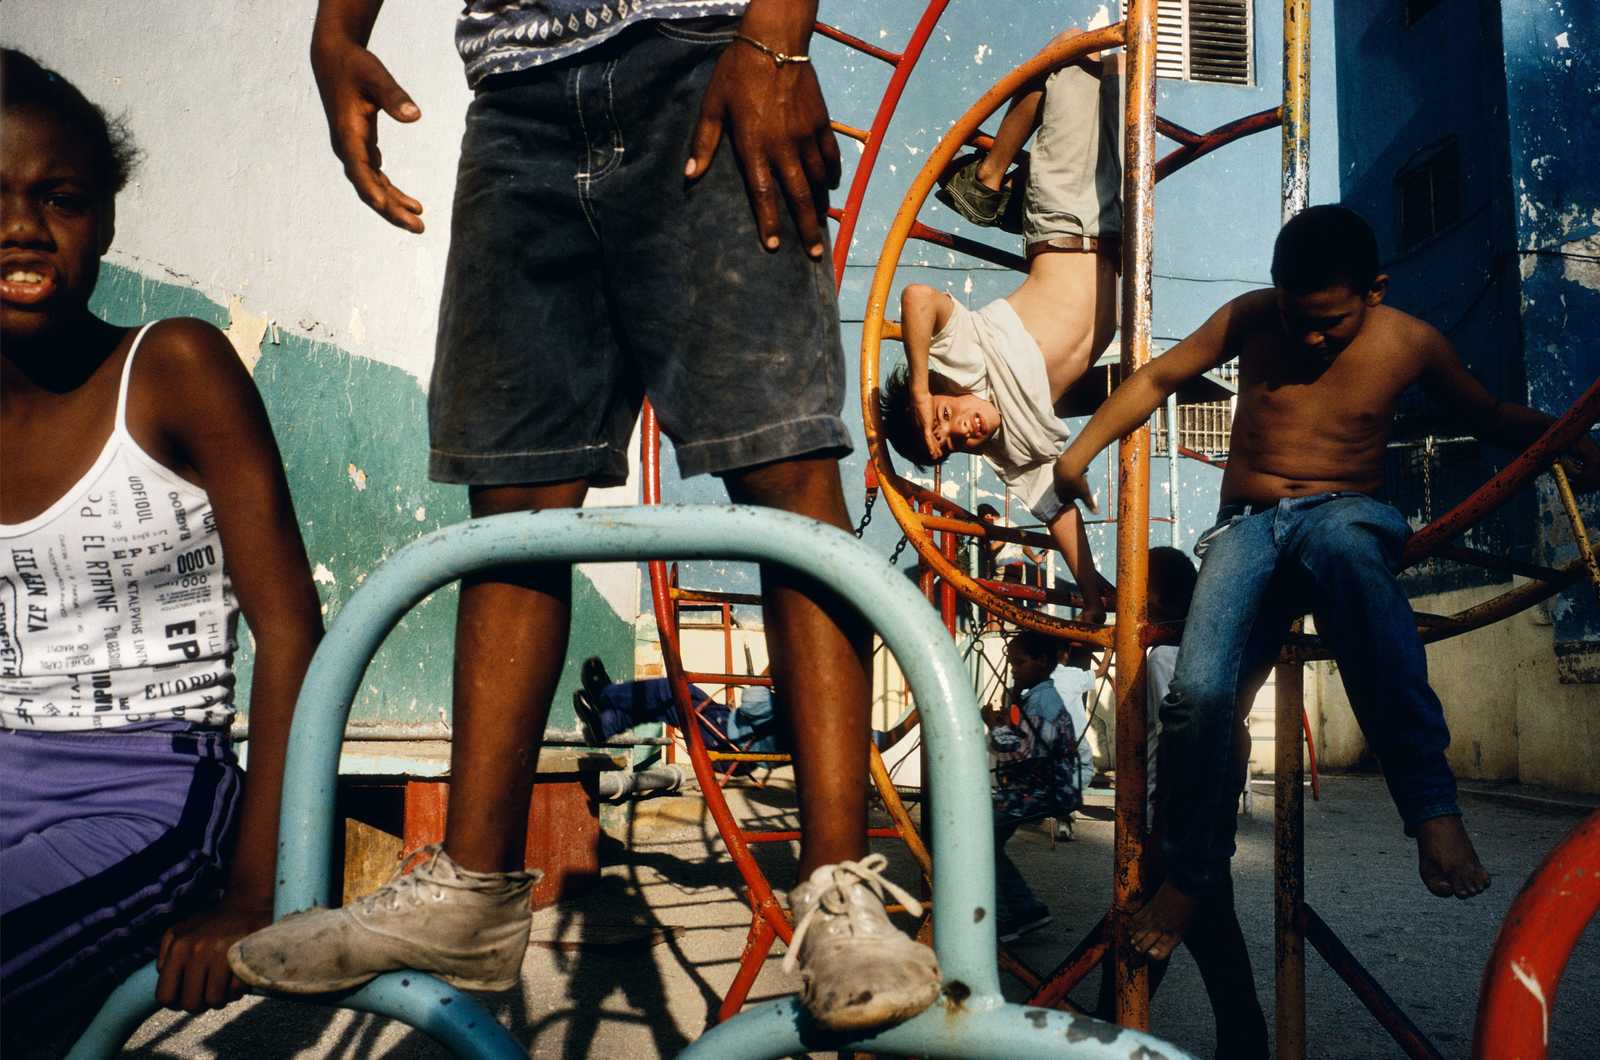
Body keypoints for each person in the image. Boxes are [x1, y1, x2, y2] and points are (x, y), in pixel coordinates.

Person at [227, 0, 941, 1032]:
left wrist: (776, 32)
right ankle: (471, 889)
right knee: (513, 497)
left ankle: (836, 886)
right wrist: (335, 30)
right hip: (516, 93)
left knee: (781, 460)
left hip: (706, 49)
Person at [1052, 204, 1600, 962]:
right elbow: (1159, 378)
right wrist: (1076, 454)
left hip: (1346, 513)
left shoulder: (1411, 343)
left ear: (1373, 291)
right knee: (1196, 698)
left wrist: (1566, 443)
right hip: (1247, 525)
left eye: (1330, 323)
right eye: (1296, 316)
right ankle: (1191, 875)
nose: (1310, 337)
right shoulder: (1250, 318)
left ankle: (1432, 809)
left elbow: (1488, 413)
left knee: (1361, 581)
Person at [0, 49, 323, 1049]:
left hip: (148, 791)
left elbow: (290, 632)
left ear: (105, 221)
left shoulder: (172, 367)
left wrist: (252, 887)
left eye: (60, 198)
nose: (22, 227)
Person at [877, 29, 1118, 623]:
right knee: (1117, 74)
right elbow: (1057, 510)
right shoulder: (1012, 451)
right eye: (955, 442)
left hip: (1063, 215)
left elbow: (919, 296)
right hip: (1116, 231)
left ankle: (989, 177)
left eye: (946, 420)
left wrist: (919, 389)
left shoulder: (965, 363)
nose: (962, 431)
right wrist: (1091, 594)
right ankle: (989, 178)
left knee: (1070, 57)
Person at [1096, 546, 1267, 1059]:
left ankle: (1103, 1043)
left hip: (1173, 830)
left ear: (1149, 596)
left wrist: (1165, 837)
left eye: (1133, 589)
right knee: (1224, 968)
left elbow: (1191, 750)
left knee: (1130, 965)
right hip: (1193, 832)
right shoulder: (1196, 652)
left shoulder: (1169, 657)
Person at [987, 631, 1089, 942]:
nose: (1013, 669)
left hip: (1037, 790)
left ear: (1042, 661)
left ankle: (1012, 914)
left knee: (979, 842)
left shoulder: (1044, 698)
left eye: (1019, 663)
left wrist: (995, 728)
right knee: (987, 843)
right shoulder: (1038, 695)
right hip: (1036, 787)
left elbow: (1024, 749)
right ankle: (1025, 909)